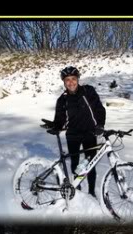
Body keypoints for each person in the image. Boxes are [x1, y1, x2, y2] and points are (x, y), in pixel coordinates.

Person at [49, 66, 106, 198]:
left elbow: (99, 109)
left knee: (91, 164)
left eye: (73, 79)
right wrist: (55, 126)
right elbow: (60, 119)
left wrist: (100, 125)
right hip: (72, 135)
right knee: (75, 164)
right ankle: (77, 190)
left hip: (90, 133)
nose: (71, 82)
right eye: (67, 80)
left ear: (78, 79)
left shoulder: (88, 91)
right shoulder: (62, 100)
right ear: (64, 82)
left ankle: (91, 192)